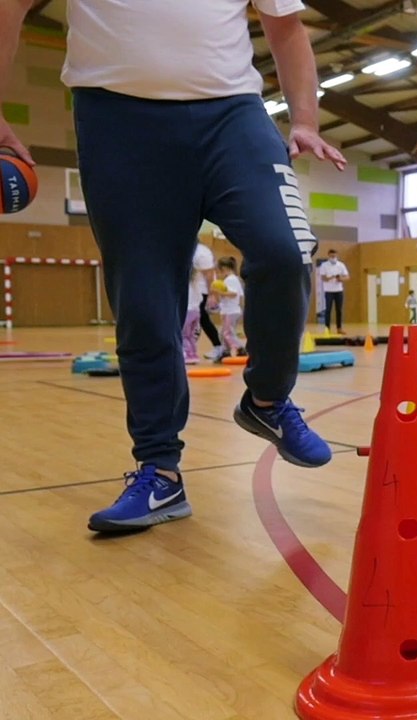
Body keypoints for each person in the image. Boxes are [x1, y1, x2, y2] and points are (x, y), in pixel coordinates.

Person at [0, 0, 346, 532]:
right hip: (117, 121)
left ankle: (268, 399)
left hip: (233, 115)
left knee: (287, 248)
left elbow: (287, 28)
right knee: (143, 303)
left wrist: (304, 119)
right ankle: (159, 470)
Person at [213, 257, 247, 359]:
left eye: (219, 271)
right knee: (224, 332)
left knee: (226, 333)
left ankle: (239, 347)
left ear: (224, 269)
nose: (219, 274)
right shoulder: (234, 279)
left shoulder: (230, 279)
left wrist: (219, 292)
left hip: (231, 311)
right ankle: (226, 350)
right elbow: (240, 296)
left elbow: (233, 293)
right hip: (230, 310)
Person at [193, 240, 222, 357]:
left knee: (203, 319)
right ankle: (189, 348)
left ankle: (218, 346)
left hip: (201, 291)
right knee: (193, 320)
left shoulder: (201, 252)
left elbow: (209, 275)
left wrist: (212, 294)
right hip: (192, 291)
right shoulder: (189, 249)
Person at [319, 249, 349, 334]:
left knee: (339, 309)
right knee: (328, 310)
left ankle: (339, 328)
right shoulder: (324, 265)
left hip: (339, 290)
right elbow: (323, 278)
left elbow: (347, 277)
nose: (333, 258)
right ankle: (327, 328)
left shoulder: (341, 265)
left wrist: (340, 278)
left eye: (335, 256)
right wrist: (332, 277)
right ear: (328, 256)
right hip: (328, 291)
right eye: (332, 256)